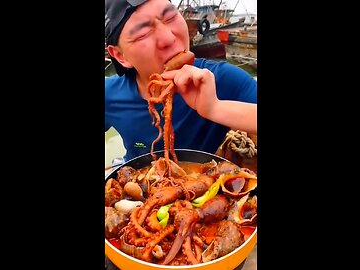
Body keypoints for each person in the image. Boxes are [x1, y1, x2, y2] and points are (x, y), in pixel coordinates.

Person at [105, 0, 257, 162]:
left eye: (170, 18)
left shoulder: (221, 79)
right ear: (120, 56)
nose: (169, 38)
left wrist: (215, 107)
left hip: (207, 180)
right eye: (142, 34)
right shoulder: (110, 94)